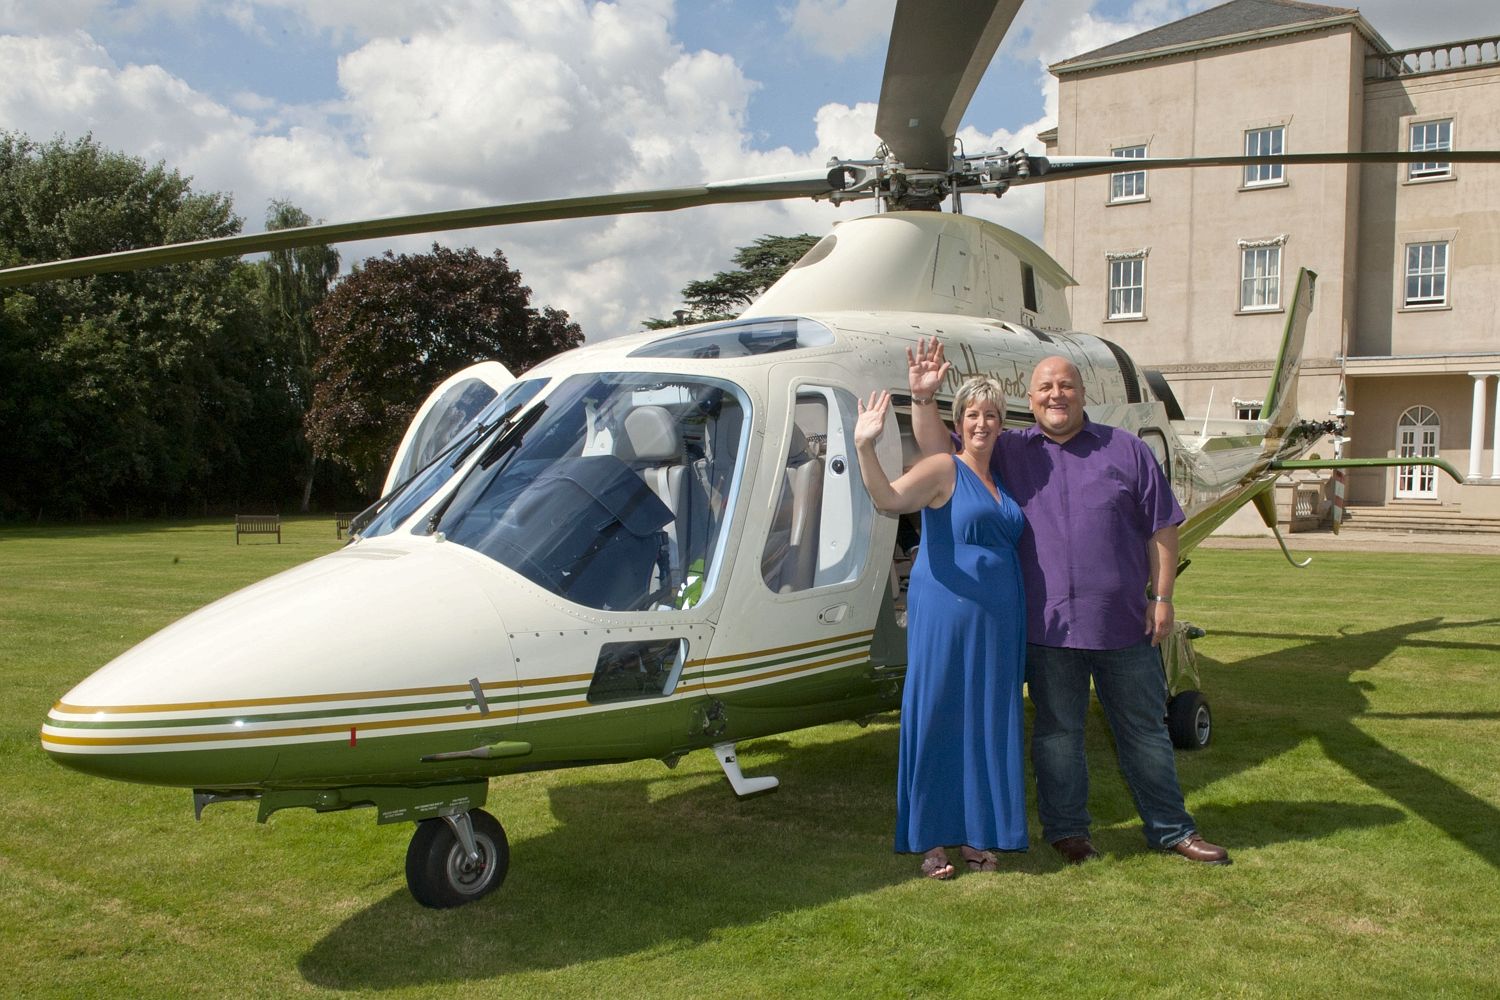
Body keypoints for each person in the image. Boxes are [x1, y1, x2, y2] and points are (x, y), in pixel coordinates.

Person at [907, 340, 1230, 866]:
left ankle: (1172, 830)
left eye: (1066, 386)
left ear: (1082, 395)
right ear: (1030, 400)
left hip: (1123, 623)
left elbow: (1162, 526)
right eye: (1046, 388)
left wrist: (1164, 597)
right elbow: (941, 452)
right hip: (1047, 629)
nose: (1057, 395)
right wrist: (923, 399)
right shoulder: (1010, 451)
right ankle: (1068, 832)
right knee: (1058, 736)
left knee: (1145, 732)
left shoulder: (1125, 449)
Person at [854, 376, 1028, 879]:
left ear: (1001, 423)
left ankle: (979, 835)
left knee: (986, 720)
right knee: (937, 714)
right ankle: (930, 839)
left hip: (997, 621)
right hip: (947, 615)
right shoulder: (942, 468)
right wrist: (866, 445)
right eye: (973, 414)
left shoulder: (999, 480)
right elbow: (888, 499)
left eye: (991, 414)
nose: (982, 423)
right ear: (960, 422)